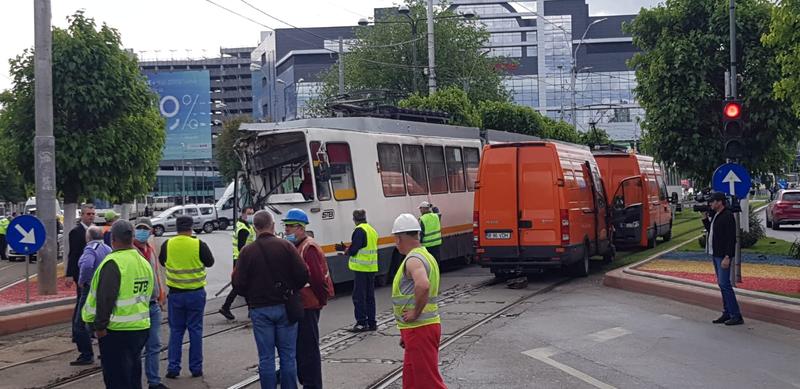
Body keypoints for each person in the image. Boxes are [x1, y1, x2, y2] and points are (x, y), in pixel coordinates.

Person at [233, 210, 309, 389]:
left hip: (259, 309)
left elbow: (237, 283)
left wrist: (252, 296)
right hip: (285, 307)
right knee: (288, 356)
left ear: (254, 227)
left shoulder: (247, 251)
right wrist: (290, 290)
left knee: (266, 358)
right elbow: (303, 275)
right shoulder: (286, 246)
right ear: (273, 226)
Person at [82, 220, 154, 389]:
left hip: (116, 331)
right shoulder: (142, 261)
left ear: (112, 239)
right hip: (140, 328)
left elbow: (105, 299)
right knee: (133, 375)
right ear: (132, 238)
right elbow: (148, 292)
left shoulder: (113, 263)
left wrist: (99, 328)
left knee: (116, 379)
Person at [390, 213, 446, 389]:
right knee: (412, 379)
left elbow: (423, 285)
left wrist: (415, 313)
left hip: (420, 328)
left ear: (399, 238)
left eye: (395, 238)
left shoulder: (413, 260)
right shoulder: (426, 255)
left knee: (428, 381)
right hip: (417, 329)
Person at [159, 215, 215, 379]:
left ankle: (173, 368)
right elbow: (210, 262)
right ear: (191, 227)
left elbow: (162, 262)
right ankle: (196, 368)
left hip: (176, 294)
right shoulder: (199, 244)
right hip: (196, 294)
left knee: (176, 331)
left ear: (176, 228)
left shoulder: (167, 244)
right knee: (195, 330)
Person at [283, 209, 333, 389]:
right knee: (302, 348)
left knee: (308, 349)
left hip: (309, 304)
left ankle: (312, 384)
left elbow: (317, 279)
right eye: (285, 226)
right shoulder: (298, 245)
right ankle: (307, 381)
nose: (286, 230)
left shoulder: (308, 247)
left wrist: (321, 299)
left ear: (300, 228)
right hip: (303, 304)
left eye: (289, 226)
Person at [134, 218, 169, 389]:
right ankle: (134, 382)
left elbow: (157, 274)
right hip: (136, 307)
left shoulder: (150, 250)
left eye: (145, 229)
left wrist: (162, 295)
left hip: (153, 305)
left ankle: (154, 381)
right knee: (136, 348)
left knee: (154, 344)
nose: (142, 231)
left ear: (151, 232)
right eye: (139, 228)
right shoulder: (131, 251)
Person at [702, 192, 744, 326]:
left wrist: (727, 256)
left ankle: (736, 315)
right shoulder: (716, 215)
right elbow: (712, 231)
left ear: (720, 202)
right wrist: (704, 219)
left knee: (725, 285)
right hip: (716, 254)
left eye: (713, 201)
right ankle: (727, 312)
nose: (710, 204)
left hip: (723, 256)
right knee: (721, 284)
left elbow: (731, 239)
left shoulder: (727, 216)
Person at [71, 226, 112, 366]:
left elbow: (87, 265)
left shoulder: (90, 249)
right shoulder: (108, 248)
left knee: (80, 322)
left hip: (90, 289)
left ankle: (86, 354)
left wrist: (82, 281)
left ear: (88, 237)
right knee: (101, 320)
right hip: (105, 288)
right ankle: (106, 352)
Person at [334, 209, 378, 333]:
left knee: (359, 296)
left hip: (361, 269)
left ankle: (361, 323)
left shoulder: (359, 230)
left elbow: (354, 250)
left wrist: (346, 250)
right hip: (371, 267)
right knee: (370, 296)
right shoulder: (371, 230)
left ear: (354, 219)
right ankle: (372, 322)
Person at [66, 204, 96, 360]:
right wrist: (70, 274)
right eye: (88, 214)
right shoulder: (76, 232)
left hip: (94, 278)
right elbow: (73, 254)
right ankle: (77, 333)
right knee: (81, 304)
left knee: (87, 305)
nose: (91, 216)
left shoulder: (95, 231)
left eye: (93, 213)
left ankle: (87, 332)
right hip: (81, 276)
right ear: (82, 215)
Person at [219, 206, 256, 320]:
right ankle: (226, 307)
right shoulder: (243, 229)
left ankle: (250, 310)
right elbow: (242, 247)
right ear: (243, 214)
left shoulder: (243, 225)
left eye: (252, 214)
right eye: (249, 214)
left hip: (240, 258)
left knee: (245, 284)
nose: (251, 216)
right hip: (242, 259)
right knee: (240, 285)